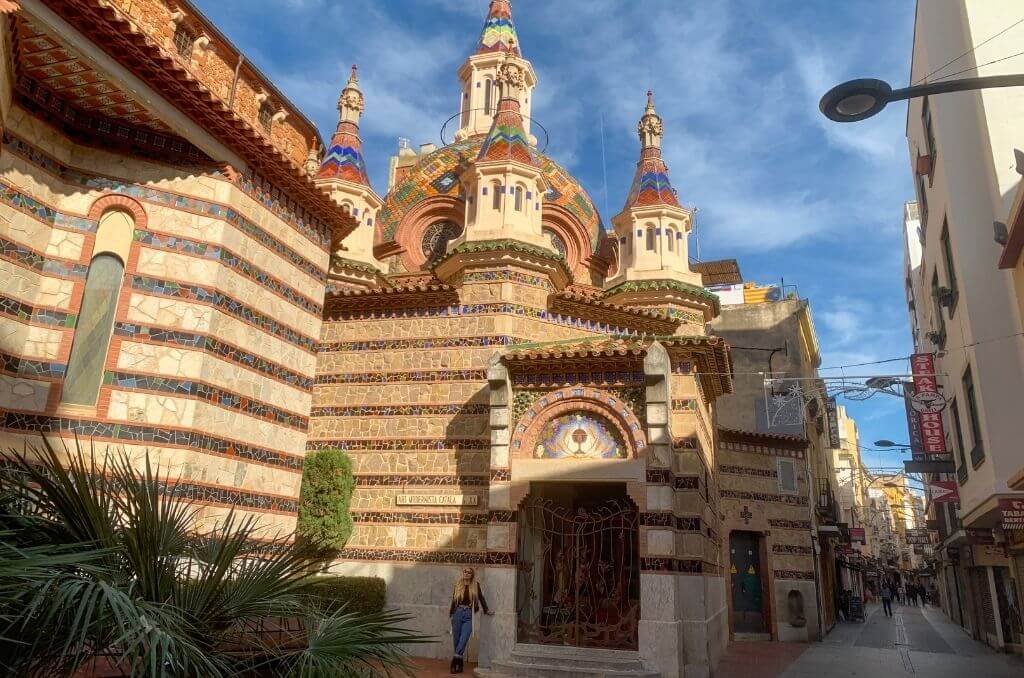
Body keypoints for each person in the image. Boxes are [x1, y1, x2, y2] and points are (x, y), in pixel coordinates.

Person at [449, 567, 491, 674]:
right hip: (457, 613)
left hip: (468, 614)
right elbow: (454, 601)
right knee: (456, 640)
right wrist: (451, 614)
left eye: (469, 572)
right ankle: (460, 664)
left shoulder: (475, 585)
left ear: (472, 575)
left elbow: (481, 598)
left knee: (463, 639)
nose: (466, 573)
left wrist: (486, 610)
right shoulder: (457, 584)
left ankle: (454, 661)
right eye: (465, 571)